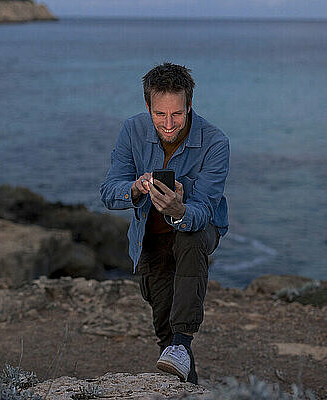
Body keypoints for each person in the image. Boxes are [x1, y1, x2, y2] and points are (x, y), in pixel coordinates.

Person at [100, 62, 229, 385]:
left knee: (190, 236)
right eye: (160, 114)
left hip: (199, 228)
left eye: (177, 114)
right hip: (150, 237)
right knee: (165, 334)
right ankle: (186, 378)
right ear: (148, 107)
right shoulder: (132, 130)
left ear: (189, 106)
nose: (169, 124)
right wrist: (135, 187)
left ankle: (183, 341)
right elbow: (108, 191)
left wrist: (179, 209)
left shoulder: (215, 143)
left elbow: (205, 210)